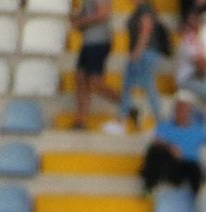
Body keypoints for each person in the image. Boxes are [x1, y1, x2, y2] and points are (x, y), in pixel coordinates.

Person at [139, 96, 206, 197]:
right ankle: (149, 185)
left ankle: (195, 202)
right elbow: (157, 141)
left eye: (184, 109)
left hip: (188, 164)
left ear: (190, 112)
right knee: (155, 151)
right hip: (170, 163)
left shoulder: (198, 129)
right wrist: (170, 147)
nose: (181, 112)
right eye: (178, 109)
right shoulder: (164, 126)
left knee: (195, 169)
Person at [71, 0, 122, 131]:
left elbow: (103, 14)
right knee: (80, 78)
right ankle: (81, 120)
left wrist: (81, 21)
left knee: (94, 82)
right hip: (88, 42)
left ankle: (124, 101)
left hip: (99, 41)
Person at [119, 0, 170, 132]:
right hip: (144, 52)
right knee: (133, 85)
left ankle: (158, 119)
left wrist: (138, 50)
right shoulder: (142, 9)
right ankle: (124, 118)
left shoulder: (145, 8)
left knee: (143, 84)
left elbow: (146, 28)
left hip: (144, 52)